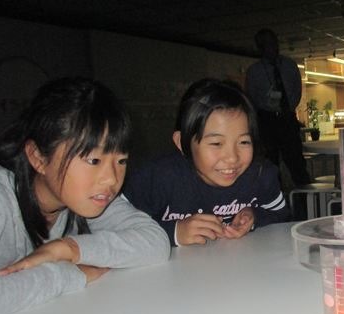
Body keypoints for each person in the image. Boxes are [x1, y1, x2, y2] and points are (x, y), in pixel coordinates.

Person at [0, 77, 171, 314]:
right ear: (38, 157)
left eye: (121, 161)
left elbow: (155, 243)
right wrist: (65, 275)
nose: (111, 179)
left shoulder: (91, 194)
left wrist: (68, 249)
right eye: (94, 161)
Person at [122, 78, 291, 246]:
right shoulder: (156, 178)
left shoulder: (260, 175)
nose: (232, 157)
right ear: (182, 143)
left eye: (244, 142)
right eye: (216, 143)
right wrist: (173, 232)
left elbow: (281, 215)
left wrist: (254, 216)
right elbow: (114, 225)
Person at [245, 28, 311, 186]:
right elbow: (251, 97)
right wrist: (268, 108)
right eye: (267, 44)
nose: (272, 47)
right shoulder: (254, 71)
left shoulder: (289, 65)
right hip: (266, 120)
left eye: (273, 42)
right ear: (260, 47)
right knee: (270, 163)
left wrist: (287, 108)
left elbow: (296, 90)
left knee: (296, 161)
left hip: (287, 117)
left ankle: (305, 196)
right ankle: (275, 196)